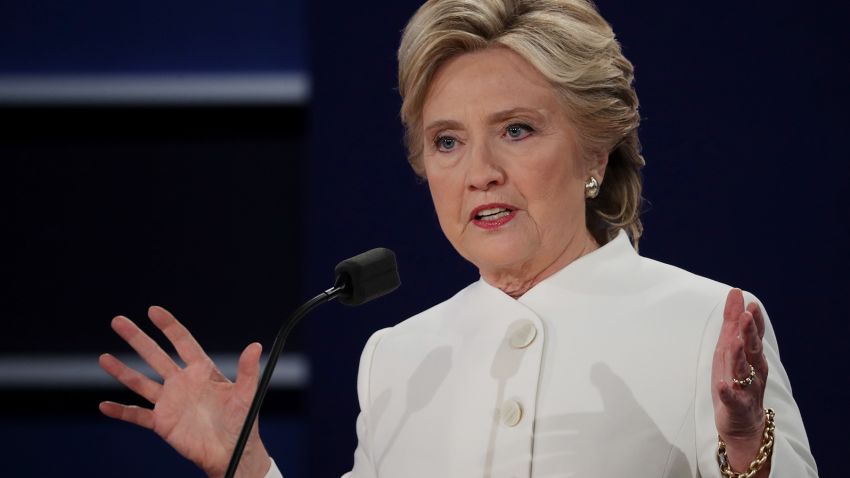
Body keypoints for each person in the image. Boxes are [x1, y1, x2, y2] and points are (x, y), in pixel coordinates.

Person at [98, 1, 818, 477]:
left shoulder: (709, 325)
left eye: (516, 130)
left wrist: (743, 443)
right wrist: (249, 467)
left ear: (596, 154)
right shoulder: (399, 357)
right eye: (447, 141)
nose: (479, 173)